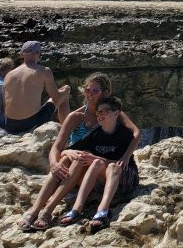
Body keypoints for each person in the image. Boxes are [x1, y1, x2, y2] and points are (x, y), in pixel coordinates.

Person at [18, 76, 140, 231]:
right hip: (77, 165)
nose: (90, 93)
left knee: (79, 159)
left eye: (95, 90)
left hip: (97, 166)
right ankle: (35, 210)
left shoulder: (111, 113)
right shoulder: (76, 116)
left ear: (105, 92)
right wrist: (54, 163)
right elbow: (57, 147)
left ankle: (48, 211)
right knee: (66, 161)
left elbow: (135, 133)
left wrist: (126, 156)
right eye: (87, 89)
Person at [55, 97, 140, 233]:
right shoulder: (95, 134)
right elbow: (65, 150)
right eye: (98, 113)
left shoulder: (125, 134)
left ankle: (102, 211)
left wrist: (98, 158)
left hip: (126, 179)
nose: (100, 115)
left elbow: (122, 163)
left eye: (104, 112)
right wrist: (68, 151)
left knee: (110, 166)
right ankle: (77, 209)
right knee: (96, 162)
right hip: (104, 182)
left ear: (116, 113)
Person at [2, 41, 71, 134]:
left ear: (22, 54)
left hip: (10, 125)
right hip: (30, 123)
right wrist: (63, 92)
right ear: (38, 54)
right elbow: (56, 97)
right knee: (65, 90)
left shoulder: (9, 74)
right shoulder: (44, 71)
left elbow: (4, 104)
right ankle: (67, 131)